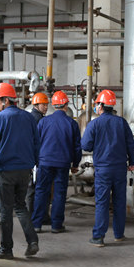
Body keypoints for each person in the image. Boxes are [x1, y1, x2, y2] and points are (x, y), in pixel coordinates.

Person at [0, 82, 40, 259]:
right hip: (25, 170)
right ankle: (32, 241)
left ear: (5, 100)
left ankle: (6, 249)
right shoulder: (29, 118)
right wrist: (34, 163)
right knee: (20, 205)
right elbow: (36, 143)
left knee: (6, 210)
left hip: (7, 170)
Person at [81, 90, 134, 247]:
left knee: (102, 203)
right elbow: (131, 144)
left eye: (97, 105)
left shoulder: (94, 124)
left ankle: (98, 237)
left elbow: (86, 145)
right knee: (119, 201)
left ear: (100, 105)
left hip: (103, 169)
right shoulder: (122, 123)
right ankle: (119, 234)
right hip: (120, 168)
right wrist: (132, 161)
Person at [32, 91, 82, 234]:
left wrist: (36, 161)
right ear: (66, 105)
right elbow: (77, 147)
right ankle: (56, 225)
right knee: (59, 193)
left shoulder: (43, 122)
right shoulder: (72, 123)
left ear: (53, 106)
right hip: (63, 163)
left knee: (41, 191)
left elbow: (36, 143)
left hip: (45, 162)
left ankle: (36, 224)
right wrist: (75, 164)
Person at [26, 92, 49, 213]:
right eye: (43, 105)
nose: (46, 107)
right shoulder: (39, 120)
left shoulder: (29, 116)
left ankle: (31, 213)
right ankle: (33, 214)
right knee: (35, 187)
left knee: (32, 186)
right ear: (36, 105)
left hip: (29, 156)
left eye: (46, 105)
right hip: (36, 157)